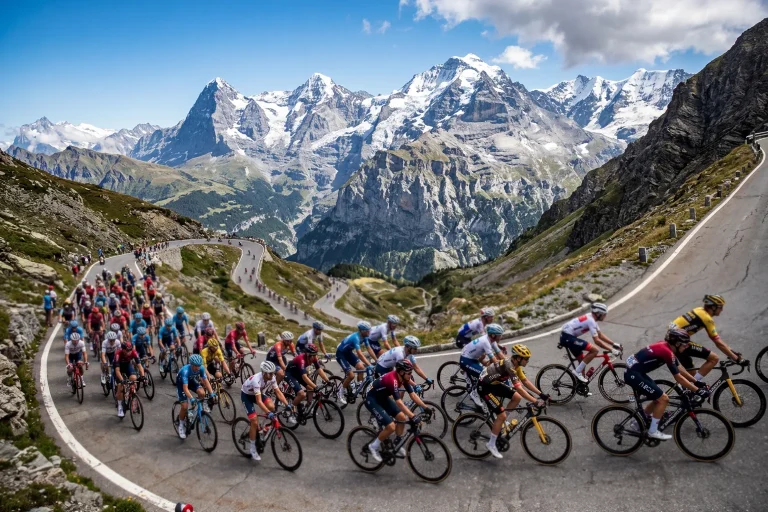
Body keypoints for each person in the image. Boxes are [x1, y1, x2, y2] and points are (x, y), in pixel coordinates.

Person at [624, 328, 707, 440]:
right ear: (677, 343)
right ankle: (653, 431)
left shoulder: (668, 349)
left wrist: (696, 382)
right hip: (633, 374)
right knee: (663, 399)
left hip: (637, 372)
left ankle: (638, 421)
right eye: (685, 345)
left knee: (657, 398)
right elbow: (678, 378)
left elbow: (680, 368)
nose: (686, 347)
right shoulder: (666, 352)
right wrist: (697, 390)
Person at [477, 354, 545, 458]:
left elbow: (525, 381)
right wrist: (535, 401)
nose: (528, 361)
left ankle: (502, 421)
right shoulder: (510, 367)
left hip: (494, 384)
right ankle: (491, 444)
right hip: (485, 387)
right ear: (518, 358)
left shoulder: (517, 366)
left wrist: (541, 394)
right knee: (501, 416)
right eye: (526, 359)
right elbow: (520, 389)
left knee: (516, 397)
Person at [364, 360, 429, 462]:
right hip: (371, 399)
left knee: (402, 417)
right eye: (409, 373)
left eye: (411, 372)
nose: (410, 375)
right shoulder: (393, 380)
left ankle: (397, 443)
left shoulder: (403, 378)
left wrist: (426, 408)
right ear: (401, 372)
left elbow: (412, 395)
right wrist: (412, 416)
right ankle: (373, 446)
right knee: (391, 426)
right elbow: (399, 403)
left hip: (382, 397)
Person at [670, 294, 745, 380]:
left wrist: (732, 352)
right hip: (679, 343)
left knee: (692, 374)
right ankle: (695, 385)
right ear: (713, 307)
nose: (722, 310)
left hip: (674, 341)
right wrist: (737, 359)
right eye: (720, 307)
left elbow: (719, 342)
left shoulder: (699, 310)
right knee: (714, 358)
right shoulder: (706, 318)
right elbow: (718, 342)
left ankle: (685, 388)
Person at [560, 303, 621, 383]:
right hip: (567, 337)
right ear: (598, 314)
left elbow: (600, 335)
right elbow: (597, 341)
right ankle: (577, 372)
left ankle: (581, 385)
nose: (605, 316)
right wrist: (612, 350)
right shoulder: (591, 321)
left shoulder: (592, 318)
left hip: (568, 336)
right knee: (595, 350)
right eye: (604, 314)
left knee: (582, 360)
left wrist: (613, 344)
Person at [240, 361, 290, 460]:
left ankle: (262, 428)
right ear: (263, 373)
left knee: (272, 406)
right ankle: (253, 449)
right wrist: (268, 413)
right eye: (270, 373)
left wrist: (287, 404)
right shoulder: (256, 380)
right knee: (254, 420)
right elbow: (259, 401)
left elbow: (278, 392)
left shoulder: (272, 378)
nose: (272, 375)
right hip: (246, 396)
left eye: (273, 373)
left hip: (256, 393)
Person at [459, 323, 505, 406]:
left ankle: (477, 387)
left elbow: (500, 354)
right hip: (466, 360)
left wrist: (509, 363)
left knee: (485, 371)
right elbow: (493, 359)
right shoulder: (485, 342)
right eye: (499, 335)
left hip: (473, 358)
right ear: (493, 335)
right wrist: (501, 368)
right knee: (483, 375)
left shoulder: (492, 341)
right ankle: (473, 392)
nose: (501, 337)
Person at [176, 354, 216, 439]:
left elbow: (205, 381)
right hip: (182, 384)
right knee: (184, 406)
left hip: (191, 380)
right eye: (195, 366)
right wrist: (191, 398)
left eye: (199, 366)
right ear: (191, 364)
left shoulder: (201, 368)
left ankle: (198, 407)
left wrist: (212, 393)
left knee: (202, 393)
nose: (197, 368)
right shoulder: (185, 371)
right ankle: (181, 425)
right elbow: (185, 389)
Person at [284, 343, 329, 418]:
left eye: (316, 354)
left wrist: (328, 381)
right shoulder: (301, 360)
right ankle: (289, 410)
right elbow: (304, 377)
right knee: (302, 394)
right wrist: (316, 386)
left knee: (311, 389)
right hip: (290, 374)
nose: (315, 357)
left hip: (298, 373)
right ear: (308, 354)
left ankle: (308, 406)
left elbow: (319, 370)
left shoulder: (313, 358)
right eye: (313, 355)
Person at [336, 321, 376, 405]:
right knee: (351, 375)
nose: (369, 332)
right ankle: (340, 393)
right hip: (341, 354)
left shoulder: (365, 337)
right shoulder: (356, 338)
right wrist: (369, 364)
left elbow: (369, 349)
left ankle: (357, 386)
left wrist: (377, 360)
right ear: (362, 331)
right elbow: (360, 354)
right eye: (368, 330)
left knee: (361, 367)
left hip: (348, 352)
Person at [114, 341, 146, 418]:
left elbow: (140, 366)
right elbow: (117, 371)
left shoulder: (133, 352)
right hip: (119, 368)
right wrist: (122, 380)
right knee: (120, 386)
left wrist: (143, 376)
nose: (129, 351)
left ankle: (132, 394)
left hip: (128, 365)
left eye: (131, 349)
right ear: (123, 349)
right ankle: (120, 406)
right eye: (128, 350)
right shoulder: (118, 354)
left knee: (134, 378)